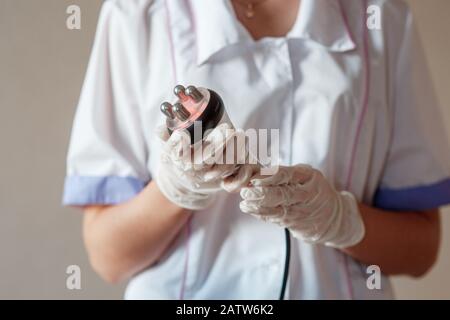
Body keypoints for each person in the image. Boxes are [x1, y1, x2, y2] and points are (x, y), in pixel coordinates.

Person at [63, 0, 450, 299]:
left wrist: (340, 218)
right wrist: (177, 188)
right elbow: (108, 257)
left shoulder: (380, 16)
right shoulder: (137, 14)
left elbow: (421, 249)